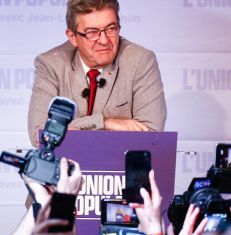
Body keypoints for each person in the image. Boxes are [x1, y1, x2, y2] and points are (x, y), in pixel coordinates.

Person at [27, 0, 167, 148]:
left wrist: (71, 130)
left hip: (121, 166)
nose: (104, 40)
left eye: (111, 28)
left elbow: (151, 134)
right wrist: (106, 123)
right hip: (64, 167)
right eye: (92, 32)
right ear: (72, 37)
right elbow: (40, 133)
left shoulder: (140, 61)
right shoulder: (51, 64)